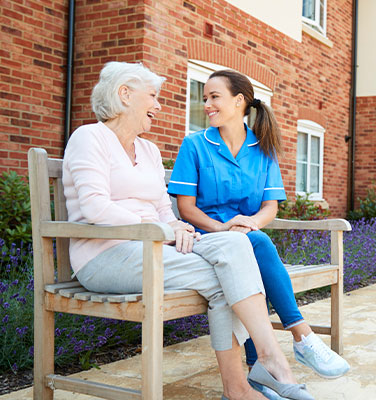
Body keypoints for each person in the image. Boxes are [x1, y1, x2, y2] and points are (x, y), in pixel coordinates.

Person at [62, 61, 313, 400]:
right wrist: (161, 229)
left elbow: (165, 208)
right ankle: (260, 371)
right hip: (105, 255)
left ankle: (258, 371)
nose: (159, 105)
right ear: (124, 95)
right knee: (226, 276)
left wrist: (178, 226)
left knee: (237, 245)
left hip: (154, 247)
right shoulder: (89, 137)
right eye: (152, 96)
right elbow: (94, 206)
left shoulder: (148, 150)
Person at [168, 70, 350, 387]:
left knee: (253, 246)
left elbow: (270, 207)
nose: (207, 105)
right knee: (258, 245)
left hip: (247, 238)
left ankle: (259, 371)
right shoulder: (195, 145)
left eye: (214, 97)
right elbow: (186, 208)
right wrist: (225, 228)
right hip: (204, 238)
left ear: (239, 101)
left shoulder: (262, 148)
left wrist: (249, 224)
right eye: (205, 98)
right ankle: (301, 336)